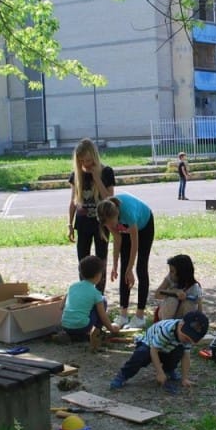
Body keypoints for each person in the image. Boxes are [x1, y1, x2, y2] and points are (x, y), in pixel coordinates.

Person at [109, 310, 210, 391]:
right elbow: (154, 350)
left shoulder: (186, 338)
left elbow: (186, 357)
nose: (187, 340)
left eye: (190, 339)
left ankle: (169, 370)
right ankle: (123, 375)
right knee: (141, 354)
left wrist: (185, 378)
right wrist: (159, 372)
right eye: (186, 337)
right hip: (150, 346)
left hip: (167, 349)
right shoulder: (166, 329)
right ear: (180, 324)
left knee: (180, 351)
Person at [97, 194, 155, 329]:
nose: (110, 226)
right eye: (107, 224)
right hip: (127, 228)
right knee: (123, 270)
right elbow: (117, 240)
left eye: (112, 223)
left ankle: (139, 316)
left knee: (141, 268)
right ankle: (123, 314)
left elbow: (135, 243)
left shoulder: (127, 213)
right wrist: (115, 265)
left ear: (116, 215)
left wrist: (131, 268)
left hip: (144, 225)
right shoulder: (105, 216)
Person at [67, 138, 116, 292]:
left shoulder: (107, 172)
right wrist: (69, 224)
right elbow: (73, 201)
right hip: (82, 223)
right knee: (83, 261)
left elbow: (109, 199)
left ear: (94, 156)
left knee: (101, 259)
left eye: (88, 160)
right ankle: (84, 293)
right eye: (82, 161)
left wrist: (96, 178)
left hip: (101, 224)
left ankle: (99, 295)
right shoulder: (77, 174)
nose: (86, 164)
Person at [60, 255, 120, 350]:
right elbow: (102, 315)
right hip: (82, 326)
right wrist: (112, 328)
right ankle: (97, 331)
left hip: (65, 325)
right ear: (98, 275)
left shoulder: (73, 286)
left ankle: (72, 335)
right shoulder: (95, 293)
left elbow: (61, 306)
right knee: (102, 300)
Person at [154, 254, 203, 321]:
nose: (170, 274)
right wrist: (174, 292)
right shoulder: (170, 278)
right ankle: (165, 327)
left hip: (182, 316)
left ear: (181, 273)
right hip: (166, 315)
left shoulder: (194, 288)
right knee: (172, 300)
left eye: (172, 271)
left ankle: (185, 328)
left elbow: (200, 310)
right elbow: (157, 294)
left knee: (190, 303)